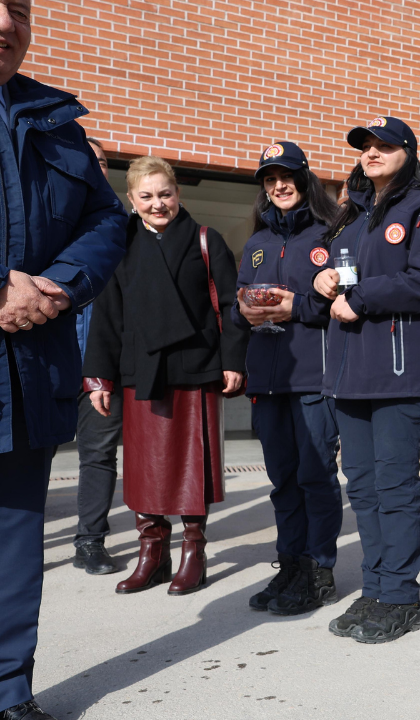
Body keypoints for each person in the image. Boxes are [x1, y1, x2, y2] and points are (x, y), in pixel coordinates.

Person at [0, 3, 130, 717]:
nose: (4, 21)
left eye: (18, 6)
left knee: (16, 554)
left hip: (29, 377)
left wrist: (59, 284)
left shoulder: (58, 125)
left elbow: (107, 220)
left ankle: (9, 693)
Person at [311, 116, 420, 644]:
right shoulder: (349, 218)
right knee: (366, 489)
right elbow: (336, 282)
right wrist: (321, 279)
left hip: (402, 374)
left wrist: (362, 298)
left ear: (407, 152)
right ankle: (374, 589)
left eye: (384, 145)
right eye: (365, 146)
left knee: (395, 488)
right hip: (352, 376)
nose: (372, 152)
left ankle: (400, 598)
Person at [82, 155, 248, 597]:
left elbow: (231, 307)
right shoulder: (121, 245)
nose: (159, 204)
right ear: (132, 201)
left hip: (194, 366)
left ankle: (194, 551)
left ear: (179, 194)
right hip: (141, 370)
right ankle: (151, 553)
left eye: (166, 194)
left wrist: (234, 360)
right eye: (147, 196)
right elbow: (107, 316)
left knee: (192, 463)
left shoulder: (205, 240)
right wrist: (99, 376)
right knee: (143, 467)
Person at [232, 141, 344, 615]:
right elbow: (238, 306)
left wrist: (293, 305)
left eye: (288, 176)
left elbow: (339, 304)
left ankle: (319, 570)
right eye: (270, 178)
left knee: (315, 478)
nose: (279, 185)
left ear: (304, 180)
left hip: (312, 378)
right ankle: (291, 564)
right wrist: (243, 309)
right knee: (282, 481)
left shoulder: (327, 235)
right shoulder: (256, 243)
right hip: (267, 379)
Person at [71, 137, 125, 575]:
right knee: (23, 457)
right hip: (43, 360)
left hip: (102, 366)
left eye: (103, 161)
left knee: (99, 454)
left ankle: (90, 542)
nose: (95, 167)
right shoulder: (48, 218)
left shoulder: (120, 226)